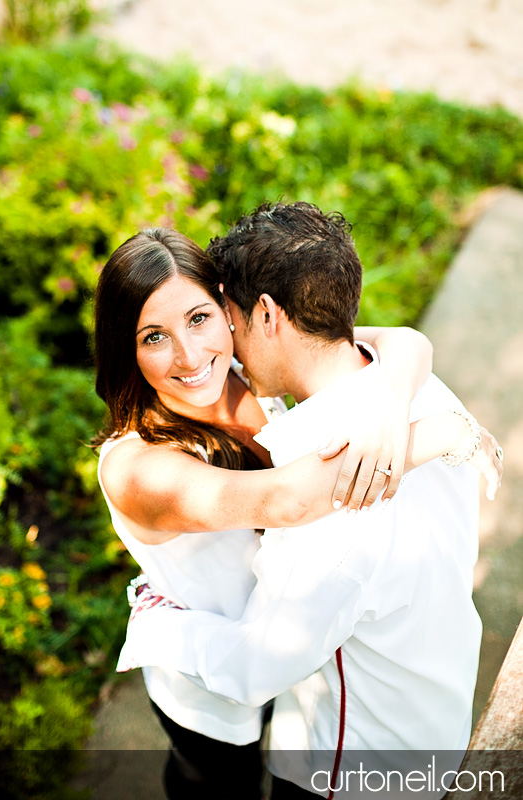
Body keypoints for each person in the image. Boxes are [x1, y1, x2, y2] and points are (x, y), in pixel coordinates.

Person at [114, 203, 503, 799]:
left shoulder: (331, 502)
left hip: (350, 762)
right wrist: (443, 429)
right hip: (252, 705)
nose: (195, 355)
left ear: (258, 314)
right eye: (155, 336)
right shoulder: (418, 395)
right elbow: (289, 497)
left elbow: (256, 664)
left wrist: (154, 631)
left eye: (210, 318)